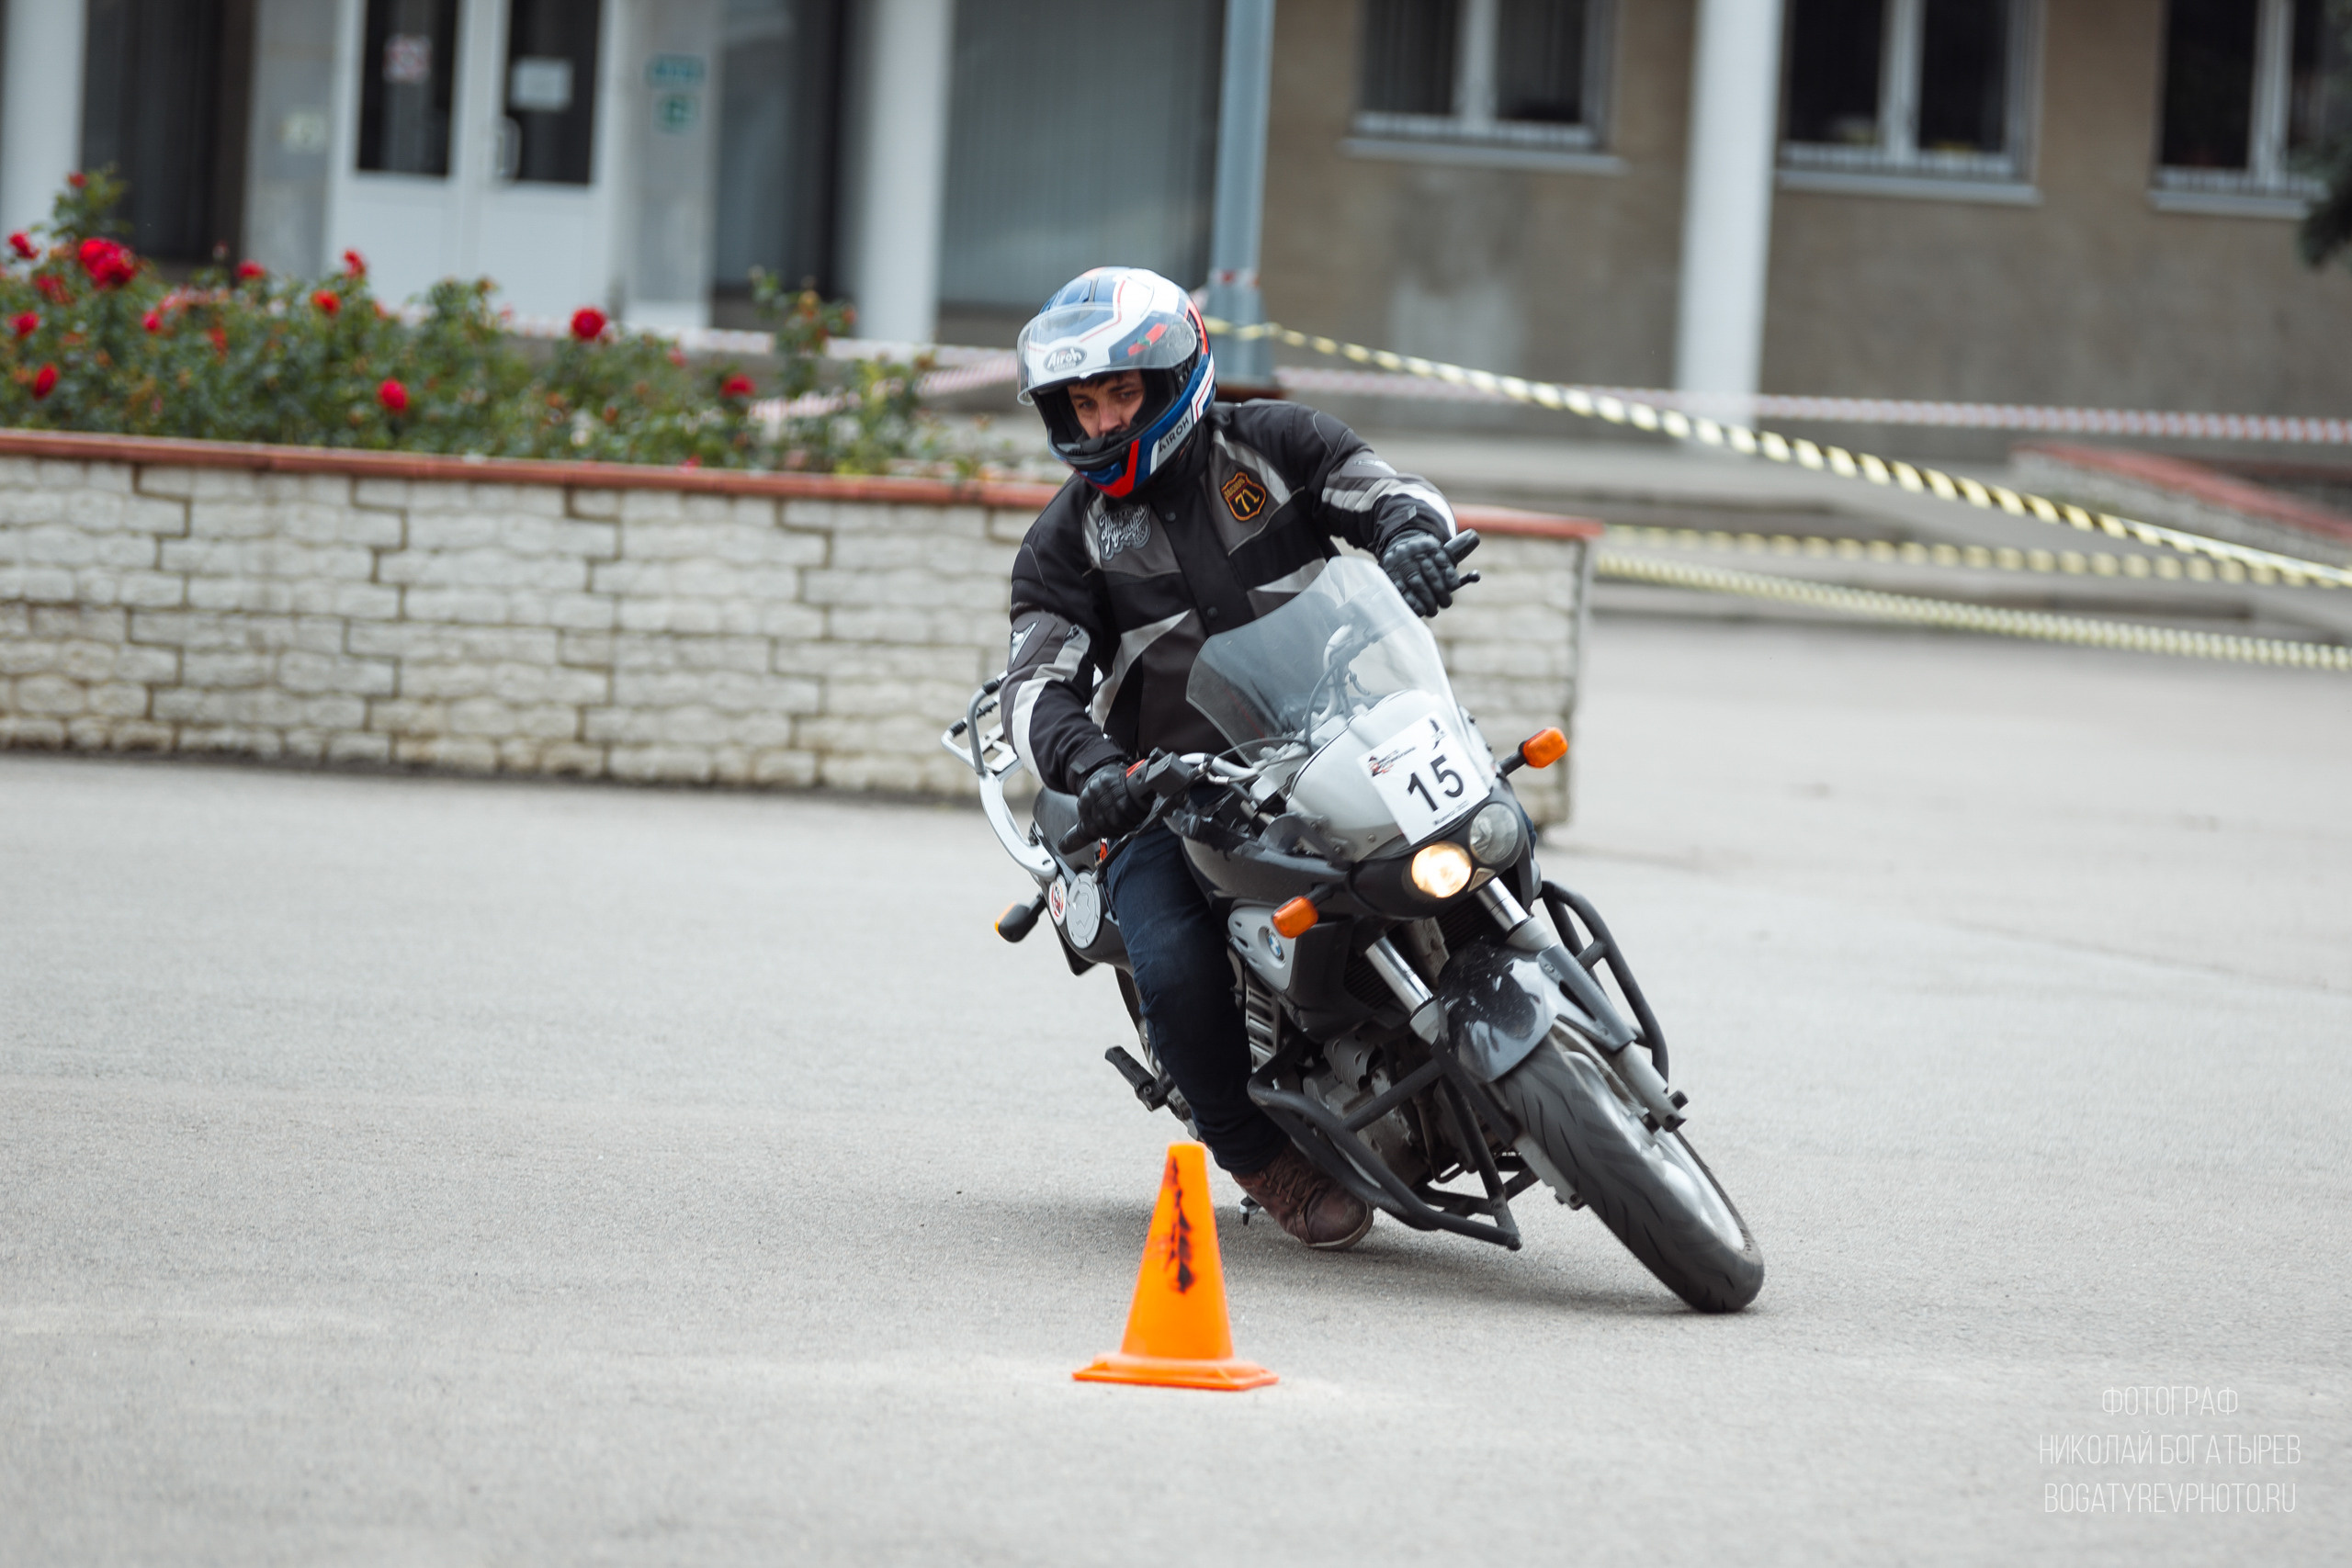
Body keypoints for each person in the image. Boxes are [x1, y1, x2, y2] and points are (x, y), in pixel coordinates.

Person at [1001, 266, 1465, 1250]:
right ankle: (1259, 1155)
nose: (1103, 420)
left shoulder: (1275, 443)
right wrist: (1095, 772)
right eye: (1081, 403)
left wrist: (1413, 537)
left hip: (1342, 721)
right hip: (1178, 792)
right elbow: (1036, 687)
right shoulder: (1062, 545)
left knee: (1476, 816)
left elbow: (1384, 491)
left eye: (1121, 393)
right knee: (1171, 963)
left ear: (1175, 377)